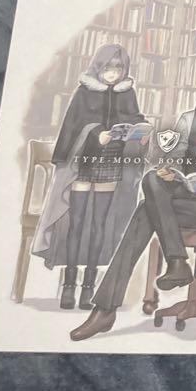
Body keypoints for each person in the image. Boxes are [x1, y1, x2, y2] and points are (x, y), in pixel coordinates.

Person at [70, 60, 196, 341]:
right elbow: (176, 157)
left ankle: (106, 310)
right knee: (152, 178)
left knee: (146, 210)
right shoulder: (188, 118)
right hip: (184, 198)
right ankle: (176, 262)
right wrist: (169, 169)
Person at [32, 44, 147, 310]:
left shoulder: (128, 93)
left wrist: (141, 131)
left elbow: (135, 119)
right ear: (98, 66)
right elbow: (73, 125)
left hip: (111, 162)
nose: (113, 73)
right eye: (108, 67)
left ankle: (89, 288)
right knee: (77, 224)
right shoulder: (84, 92)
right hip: (81, 163)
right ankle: (68, 286)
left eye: (118, 68)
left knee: (99, 225)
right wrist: (96, 133)